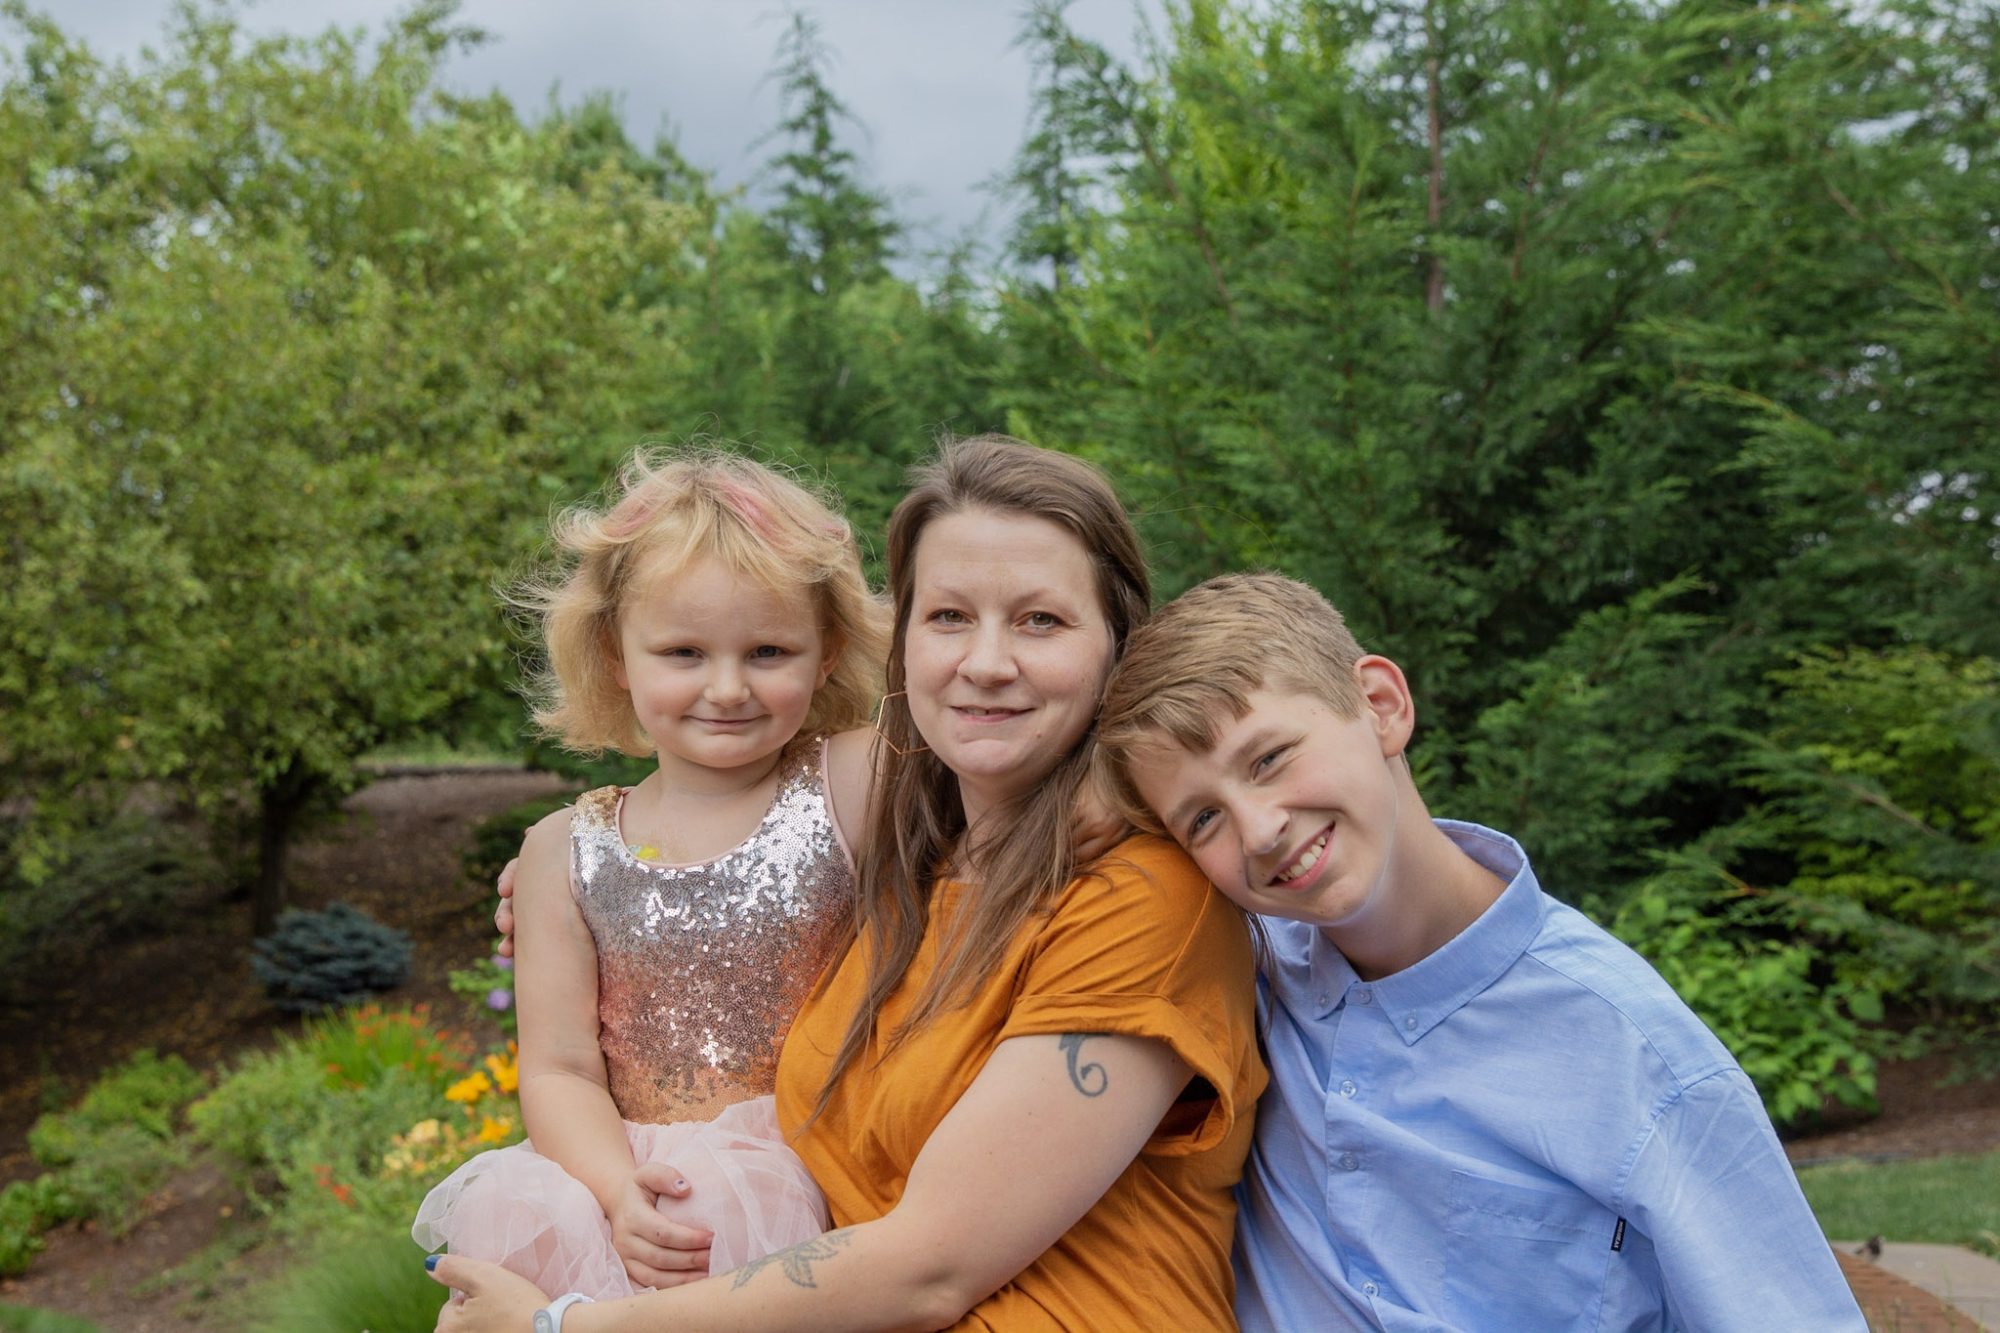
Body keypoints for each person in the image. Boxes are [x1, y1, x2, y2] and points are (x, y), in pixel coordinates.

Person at [430, 436, 1267, 1332]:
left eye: (1041, 620)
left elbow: (930, 1266)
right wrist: (576, 878)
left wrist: (559, 1327)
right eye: (948, 615)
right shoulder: (922, 865)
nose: (986, 662)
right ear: (905, 644)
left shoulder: (1136, 892)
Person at [1092, 571, 1868, 1332]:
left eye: (1269, 759)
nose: (1259, 830)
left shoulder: (1642, 1061)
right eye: (1203, 819)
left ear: (1381, 706)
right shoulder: (1241, 980)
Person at [413, 448, 888, 1300]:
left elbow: (1001, 760)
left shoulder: (852, 781)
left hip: (818, 1175)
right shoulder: (565, 850)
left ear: (829, 649)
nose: (728, 687)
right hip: (630, 1189)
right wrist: (613, 1189)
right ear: (615, 653)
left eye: (769, 649)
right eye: (683, 651)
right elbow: (559, 1066)